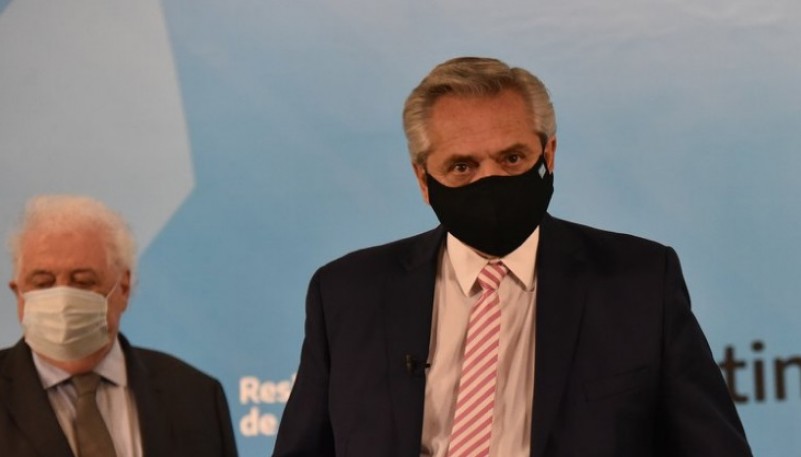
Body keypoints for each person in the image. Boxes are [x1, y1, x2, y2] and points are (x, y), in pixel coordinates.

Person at [272, 57, 752, 456]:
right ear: (423, 180)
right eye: (462, 166)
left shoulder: (639, 281)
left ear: (549, 155)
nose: (490, 181)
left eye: (512, 159)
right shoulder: (347, 294)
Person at [0, 195, 238, 457]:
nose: (63, 299)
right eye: (43, 282)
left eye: (82, 282)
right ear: (18, 293)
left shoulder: (195, 396)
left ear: (123, 288)